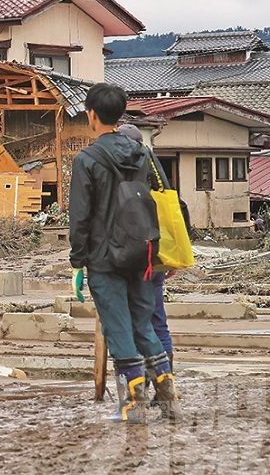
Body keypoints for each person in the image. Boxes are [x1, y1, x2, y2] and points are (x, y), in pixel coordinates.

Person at [69, 84, 180, 423]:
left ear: (91, 115)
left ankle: (132, 406)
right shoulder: (142, 153)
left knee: (118, 330)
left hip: (105, 258)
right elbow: (163, 200)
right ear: (120, 114)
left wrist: (77, 262)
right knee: (144, 327)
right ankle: (169, 399)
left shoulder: (87, 159)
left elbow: (80, 217)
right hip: (143, 253)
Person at [116, 123, 174, 367]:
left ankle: (137, 383)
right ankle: (165, 380)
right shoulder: (156, 183)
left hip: (129, 260)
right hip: (154, 257)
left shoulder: (117, 181)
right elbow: (173, 217)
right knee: (157, 320)